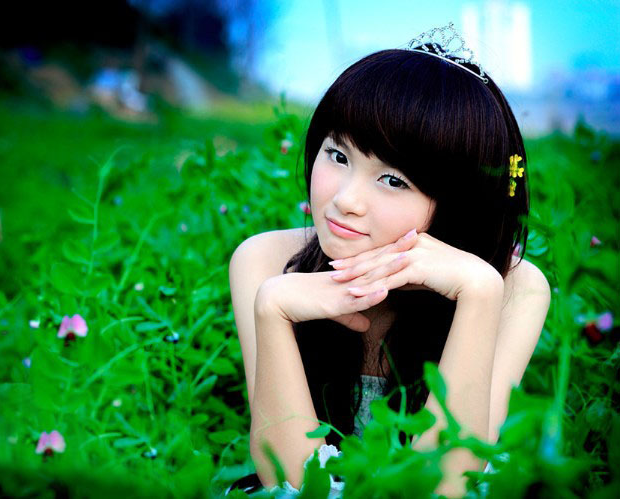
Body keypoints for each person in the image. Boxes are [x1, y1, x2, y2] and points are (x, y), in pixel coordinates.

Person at [225, 23, 551, 498]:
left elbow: (447, 485)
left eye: (393, 181)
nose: (345, 199)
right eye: (338, 155)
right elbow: (286, 481)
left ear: (458, 205)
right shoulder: (266, 262)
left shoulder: (513, 288)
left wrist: (479, 295)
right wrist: (273, 308)